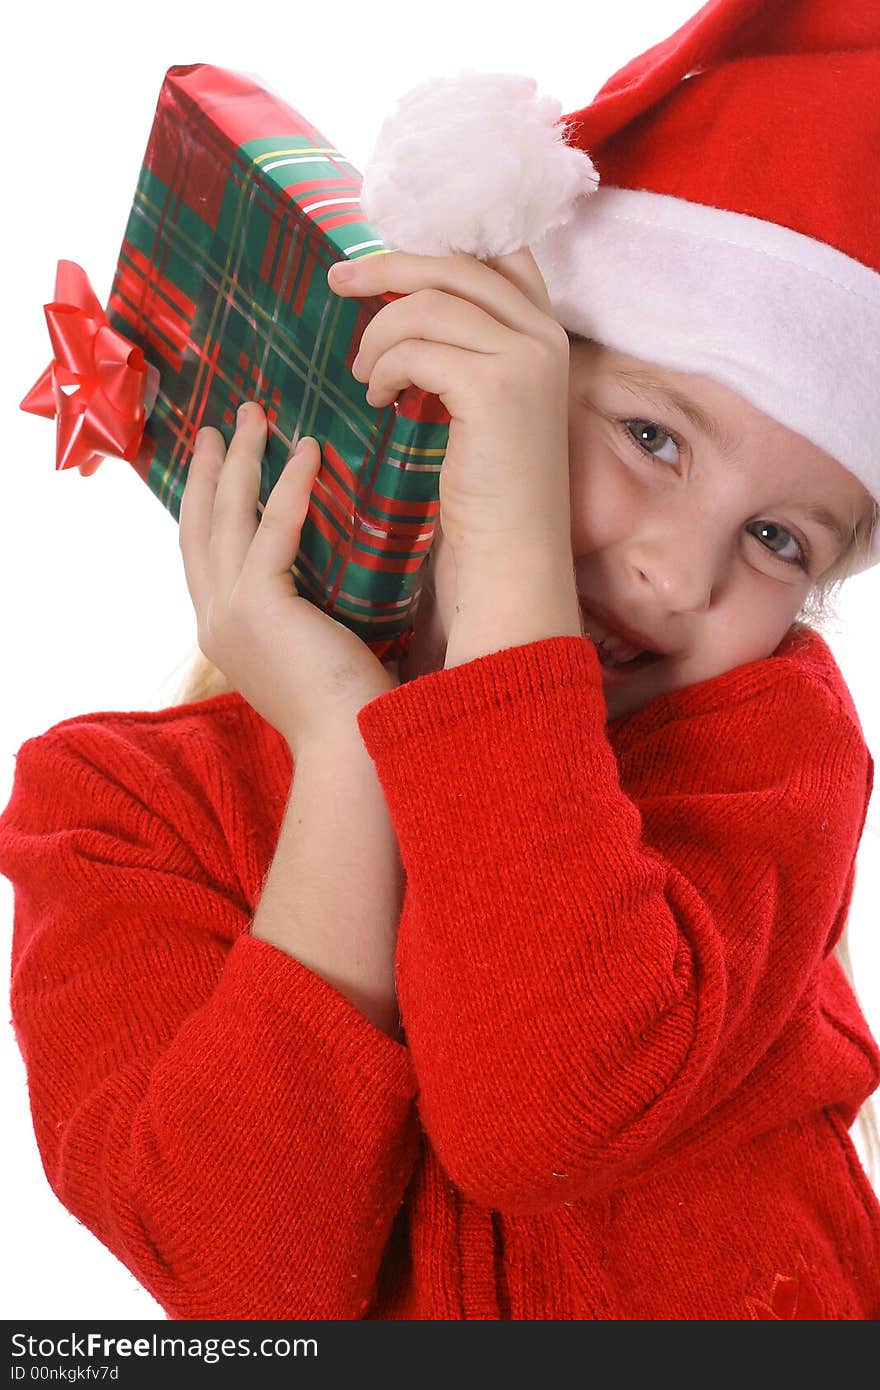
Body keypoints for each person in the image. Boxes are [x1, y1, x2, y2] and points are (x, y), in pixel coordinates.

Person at [2, 0, 880, 1321]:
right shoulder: (118, 810)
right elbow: (248, 1292)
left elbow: (550, 1103)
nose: (678, 575)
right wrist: (350, 763)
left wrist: (514, 574)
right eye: (650, 437)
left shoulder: (765, 749)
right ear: (477, 380)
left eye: (775, 536)